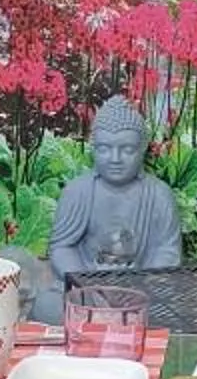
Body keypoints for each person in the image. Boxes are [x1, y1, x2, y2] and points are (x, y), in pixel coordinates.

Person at [45, 95, 184, 286]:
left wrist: (142, 284)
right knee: (48, 304)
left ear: (142, 148)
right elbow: (61, 248)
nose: (115, 159)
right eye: (104, 149)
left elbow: (167, 251)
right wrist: (86, 282)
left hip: (141, 287)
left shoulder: (159, 194)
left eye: (127, 150)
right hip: (87, 282)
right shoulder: (78, 191)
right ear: (93, 148)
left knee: (167, 302)